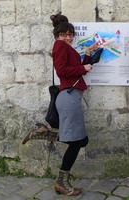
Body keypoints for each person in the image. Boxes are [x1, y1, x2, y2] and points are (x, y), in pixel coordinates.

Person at [49, 13, 96, 196]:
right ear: (57, 35)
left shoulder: (66, 47)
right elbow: (62, 71)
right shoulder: (60, 46)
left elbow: (74, 71)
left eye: (70, 34)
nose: (67, 37)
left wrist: (87, 56)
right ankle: (61, 181)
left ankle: (48, 133)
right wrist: (83, 67)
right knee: (78, 142)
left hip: (71, 95)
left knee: (80, 140)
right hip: (68, 96)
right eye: (63, 34)